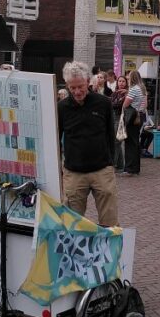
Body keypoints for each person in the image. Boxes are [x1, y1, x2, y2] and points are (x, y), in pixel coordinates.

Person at [57, 61, 118, 226]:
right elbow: (57, 139)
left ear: (88, 82)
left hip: (102, 170)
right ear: (67, 86)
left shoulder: (103, 103)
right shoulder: (61, 108)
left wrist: (111, 163)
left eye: (80, 87)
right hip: (74, 172)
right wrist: (60, 169)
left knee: (110, 221)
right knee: (72, 223)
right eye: (72, 88)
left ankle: (109, 243)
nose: (77, 92)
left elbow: (110, 135)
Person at [122, 70, 147, 175]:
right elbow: (144, 104)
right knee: (135, 142)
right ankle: (136, 168)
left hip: (132, 116)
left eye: (128, 77)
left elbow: (125, 104)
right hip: (139, 115)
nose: (127, 79)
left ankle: (129, 168)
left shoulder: (133, 89)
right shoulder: (142, 88)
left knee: (129, 143)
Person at [110, 75, 129, 172]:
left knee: (117, 141)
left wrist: (114, 103)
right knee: (117, 141)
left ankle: (113, 164)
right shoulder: (114, 93)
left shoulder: (127, 93)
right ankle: (121, 165)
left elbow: (117, 105)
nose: (121, 83)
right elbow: (111, 104)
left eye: (123, 81)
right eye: (119, 81)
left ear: (126, 83)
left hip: (121, 118)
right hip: (114, 117)